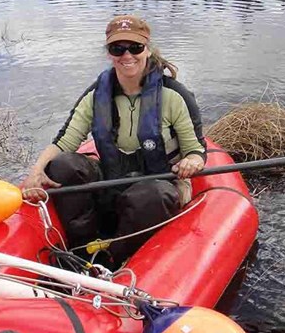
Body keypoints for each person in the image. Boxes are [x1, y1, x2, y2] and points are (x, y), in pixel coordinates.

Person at [21, 14, 206, 269]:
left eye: (135, 47)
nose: (126, 55)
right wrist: (36, 171)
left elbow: (196, 149)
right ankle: (83, 250)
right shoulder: (97, 96)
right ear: (109, 53)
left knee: (153, 194)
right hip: (112, 178)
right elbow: (64, 143)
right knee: (63, 165)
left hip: (158, 181)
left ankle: (114, 258)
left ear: (147, 49)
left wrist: (192, 161)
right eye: (117, 48)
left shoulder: (173, 96)